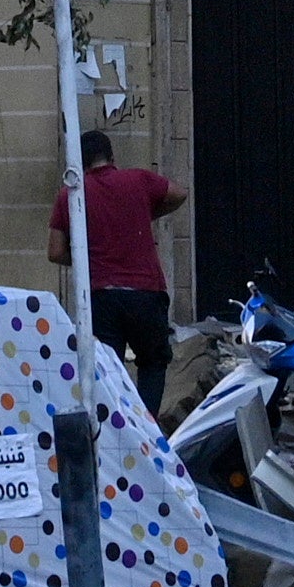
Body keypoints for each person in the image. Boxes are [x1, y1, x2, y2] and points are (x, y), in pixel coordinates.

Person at [44, 129, 186, 402]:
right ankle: (148, 430)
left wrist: (88, 255)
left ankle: (115, 432)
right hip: (146, 293)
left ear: (80, 161)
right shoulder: (139, 180)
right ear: (112, 156)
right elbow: (179, 194)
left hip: (101, 296)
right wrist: (149, 214)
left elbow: (55, 251)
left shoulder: (70, 194)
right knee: (153, 364)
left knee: (108, 370)